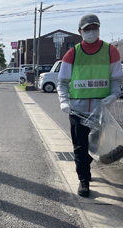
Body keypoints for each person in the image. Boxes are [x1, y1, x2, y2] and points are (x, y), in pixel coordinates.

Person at [57, 14, 123, 197]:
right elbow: (62, 82)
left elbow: (117, 79)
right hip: (77, 110)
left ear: (99, 29)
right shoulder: (73, 53)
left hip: (101, 111)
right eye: (87, 29)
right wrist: (63, 101)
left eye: (94, 28)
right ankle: (84, 180)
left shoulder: (111, 51)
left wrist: (114, 94)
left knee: (94, 147)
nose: (91, 31)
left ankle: (85, 168)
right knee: (80, 146)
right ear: (80, 32)